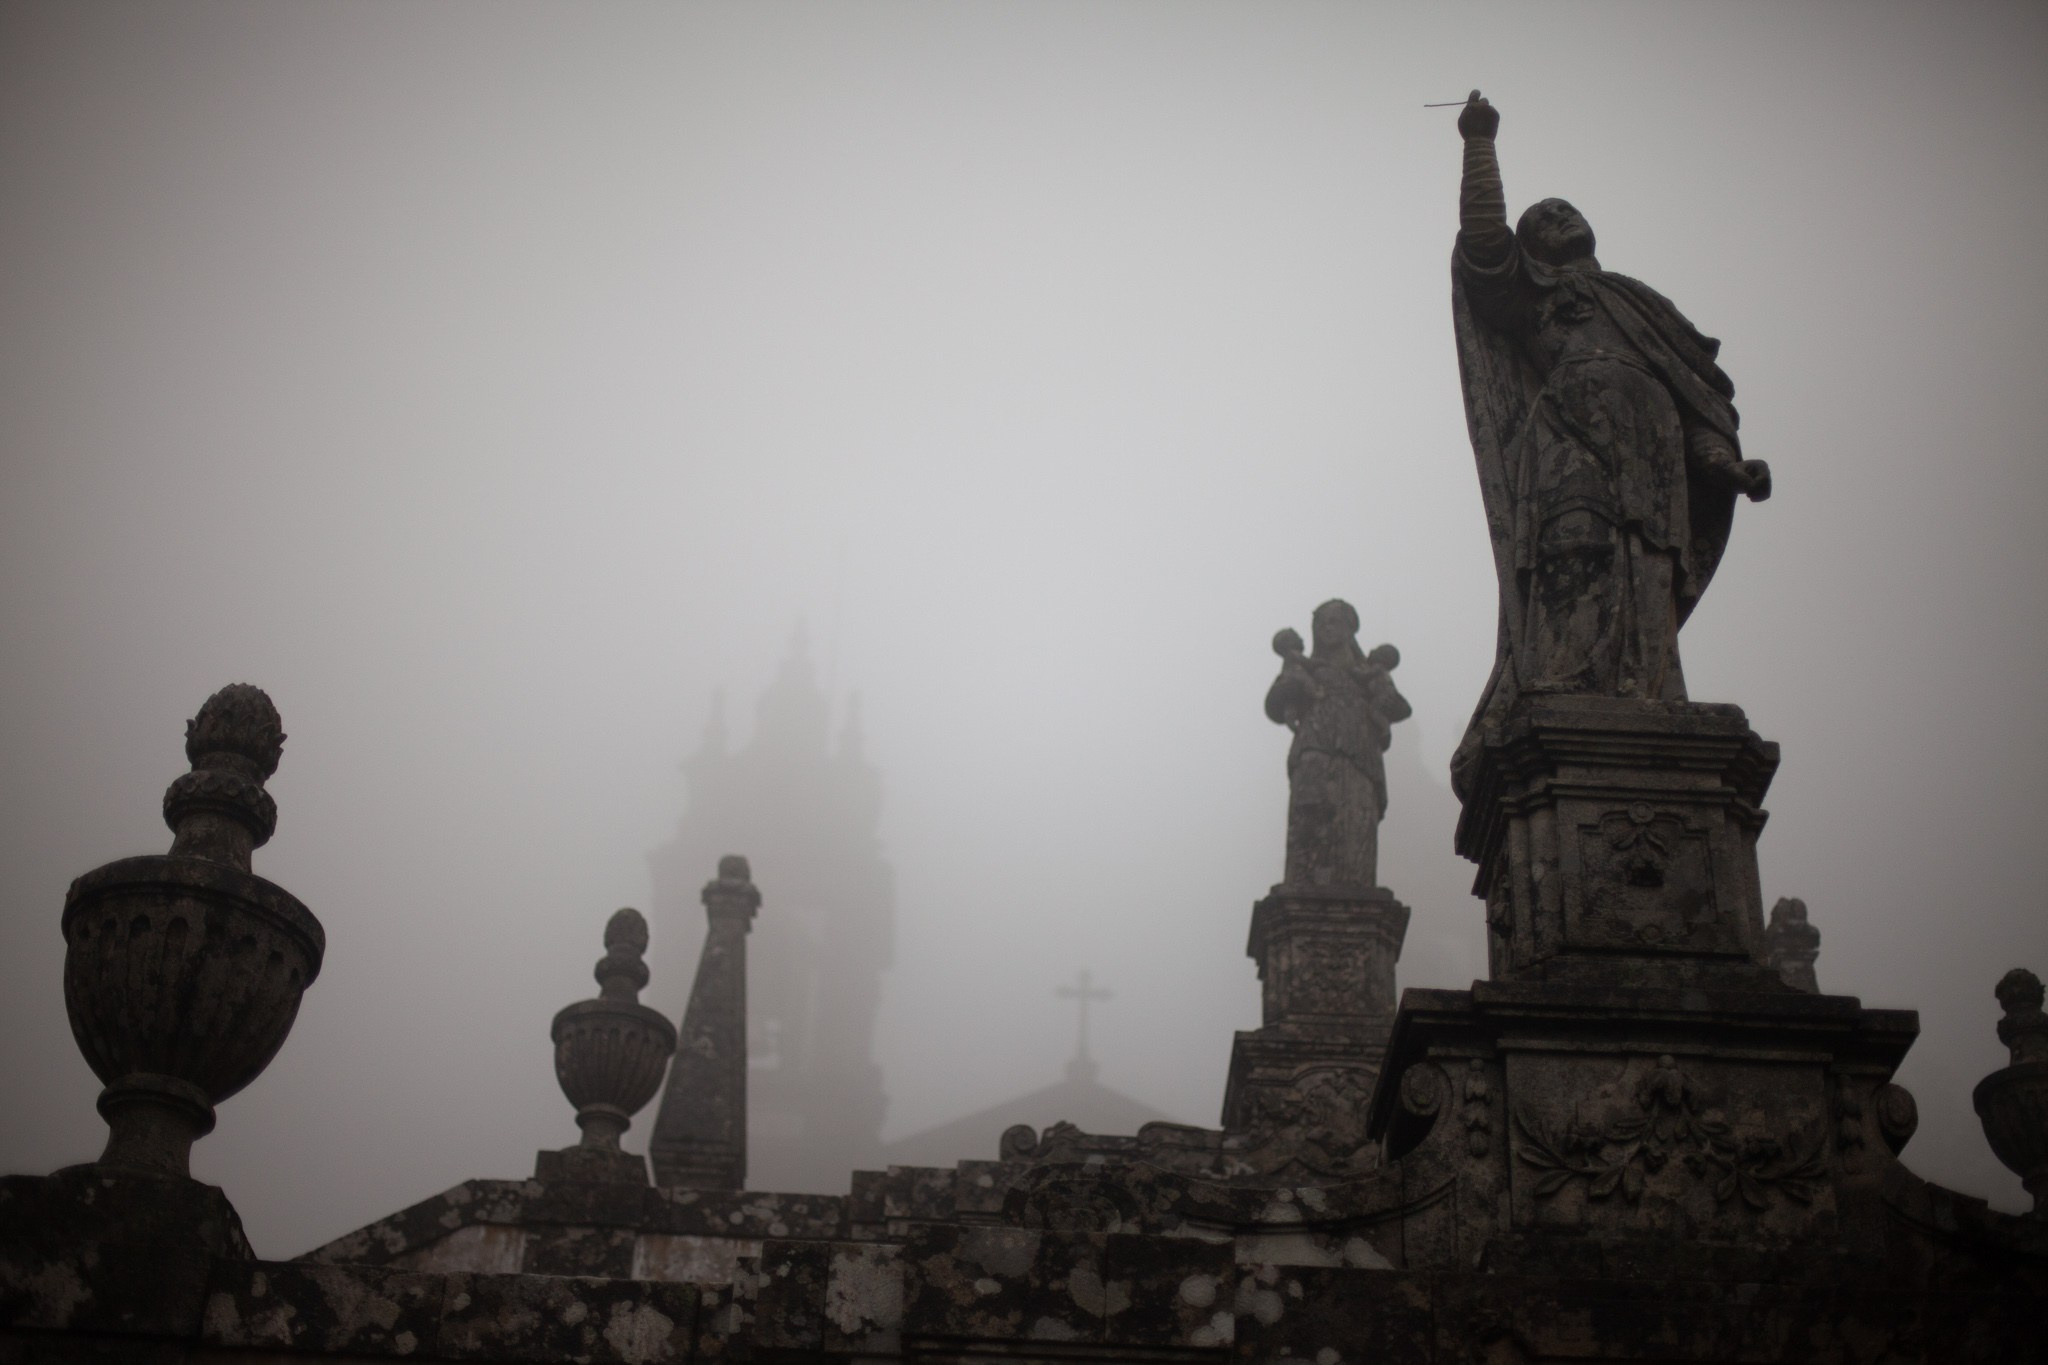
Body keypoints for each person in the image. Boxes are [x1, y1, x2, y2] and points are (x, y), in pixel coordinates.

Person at [1448, 91, 1770, 799]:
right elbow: (1482, 242)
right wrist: (1480, 143)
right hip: (1566, 440)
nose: (1560, 215)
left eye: (1566, 207)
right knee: (1574, 550)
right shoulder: (1526, 297)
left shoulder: (1635, 301)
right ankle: (1560, 683)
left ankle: (1642, 692)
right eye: (1544, 216)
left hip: (1650, 459)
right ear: (1530, 249)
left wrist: (1724, 464)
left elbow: (1694, 393)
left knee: (1645, 570)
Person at [1265, 600, 1410, 889]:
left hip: (1358, 751)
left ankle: (1355, 883)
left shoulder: (1366, 671)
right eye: (1320, 623)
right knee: (1307, 813)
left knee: (1355, 820)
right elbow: (1274, 702)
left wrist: (1374, 701)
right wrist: (1294, 687)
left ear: (1349, 628)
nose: (1326, 628)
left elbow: (1399, 706)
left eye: (1333, 621)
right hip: (1314, 743)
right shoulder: (1306, 667)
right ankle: (1302, 881)